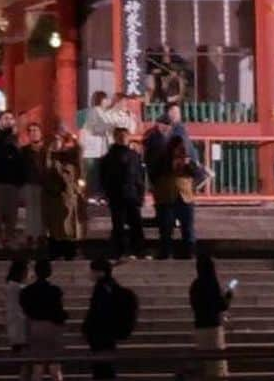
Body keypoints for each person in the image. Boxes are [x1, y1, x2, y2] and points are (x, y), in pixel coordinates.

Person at [81, 257, 137, 381]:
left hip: (101, 337)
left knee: (103, 373)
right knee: (106, 372)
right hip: (107, 336)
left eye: (92, 270)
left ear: (99, 272)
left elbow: (98, 313)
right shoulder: (111, 287)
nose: (89, 273)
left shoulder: (103, 288)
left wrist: (88, 328)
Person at [19, 258, 68, 381]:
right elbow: (59, 311)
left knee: (37, 367)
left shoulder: (27, 291)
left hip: (34, 327)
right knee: (55, 367)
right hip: (52, 328)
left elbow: (25, 308)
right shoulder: (55, 291)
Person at [189, 253, 233, 381]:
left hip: (200, 327)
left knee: (205, 362)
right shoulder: (212, 284)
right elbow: (221, 305)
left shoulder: (195, 286)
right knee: (215, 362)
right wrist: (228, 296)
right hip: (213, 328)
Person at [100, 126, 147, 259]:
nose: (123, 139)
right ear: (115, 138)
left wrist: (141, 194)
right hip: (116, 194)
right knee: (118, 225)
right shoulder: (108, 157)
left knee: (136, 224)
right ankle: (119, 251)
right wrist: (107, 193)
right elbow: (104, 178)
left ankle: (138, 250)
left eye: (125, 136)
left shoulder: (134, 156)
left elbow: (140, 176)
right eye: (120, 136)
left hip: (132, 193)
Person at [152, 135, 198, 258]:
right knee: (166, 229)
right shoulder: (162, 160)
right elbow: (154, 174)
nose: (179, 150)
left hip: (185, 197)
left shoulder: (188, 159)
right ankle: (166, 252)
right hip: (167, 197)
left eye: (181, 147)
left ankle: (189, 252)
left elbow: (196, 173)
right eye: (177, 147)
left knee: (187, 228)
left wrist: (188, 164)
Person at [0, 111, 25, 250]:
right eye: (5, 118)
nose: (9, 121)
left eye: (11, 118)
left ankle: (10, 237)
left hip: (13, 181)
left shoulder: (16, 139)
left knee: (12, 213)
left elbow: (20, 160)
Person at [44, 129, 84, 259]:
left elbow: (79, 154)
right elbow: (47, 168)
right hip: (54, 196)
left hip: (69, 195)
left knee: (69, 224)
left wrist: (74, 139)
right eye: (54, 140)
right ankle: (57, 251)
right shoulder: (49, 158)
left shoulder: (69, 157)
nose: (56, 142)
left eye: (59, 140)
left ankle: (69, 251)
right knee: (56, 226)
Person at [20, 121, 49, 248]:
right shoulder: (24, 151)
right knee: (31, 211)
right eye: (30, 131)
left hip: (44, 184)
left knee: (43, 211)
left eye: (35, 130)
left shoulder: (47, 150)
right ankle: (31, 235)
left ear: (41, 133)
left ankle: (42, 236)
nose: (33, 133)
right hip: (29, 183)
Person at [5, 258, 30, 381]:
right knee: (26, 364)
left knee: (25, 365)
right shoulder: (18, 288)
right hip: (21, 330)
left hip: (15, 329)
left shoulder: (10, 286)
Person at [81, 91, 112, 202]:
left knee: (100, 173)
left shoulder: (103, 112)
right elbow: (94, 129)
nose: (108, 101)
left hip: (100, 149)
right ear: (101, 100)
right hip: (93, 150)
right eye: (106, 99)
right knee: (94, 173)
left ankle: (100, 194)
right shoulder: (94, 112)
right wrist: (108, 126)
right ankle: (93, 195)